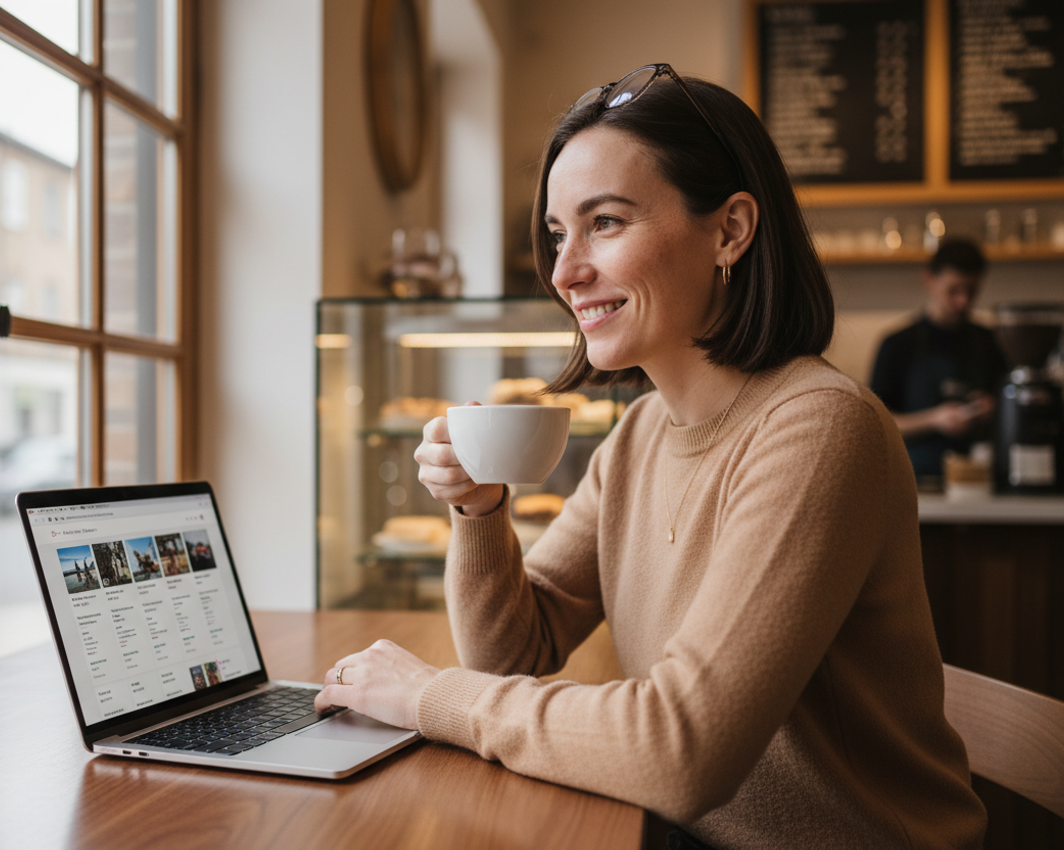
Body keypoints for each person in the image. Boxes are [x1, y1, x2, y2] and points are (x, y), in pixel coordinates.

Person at [314, 65, 986, 848]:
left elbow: (681, 749)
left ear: (730, 230)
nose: (565, 273)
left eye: (605, 222)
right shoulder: (639, 436)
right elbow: (514, 652)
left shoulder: (819, 430)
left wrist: (431, 695)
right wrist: (479, 509)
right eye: (560, 234)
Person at [869, 239, 1006, 483]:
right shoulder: (897, 345)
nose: (963, 301)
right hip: (915, 482)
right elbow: (877, 424)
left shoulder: (991, 341)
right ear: (929, 280)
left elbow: (1008, 408)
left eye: (971, 291)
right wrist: (934, 419)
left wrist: (992, 407)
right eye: (953, 290)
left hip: (981, 480)